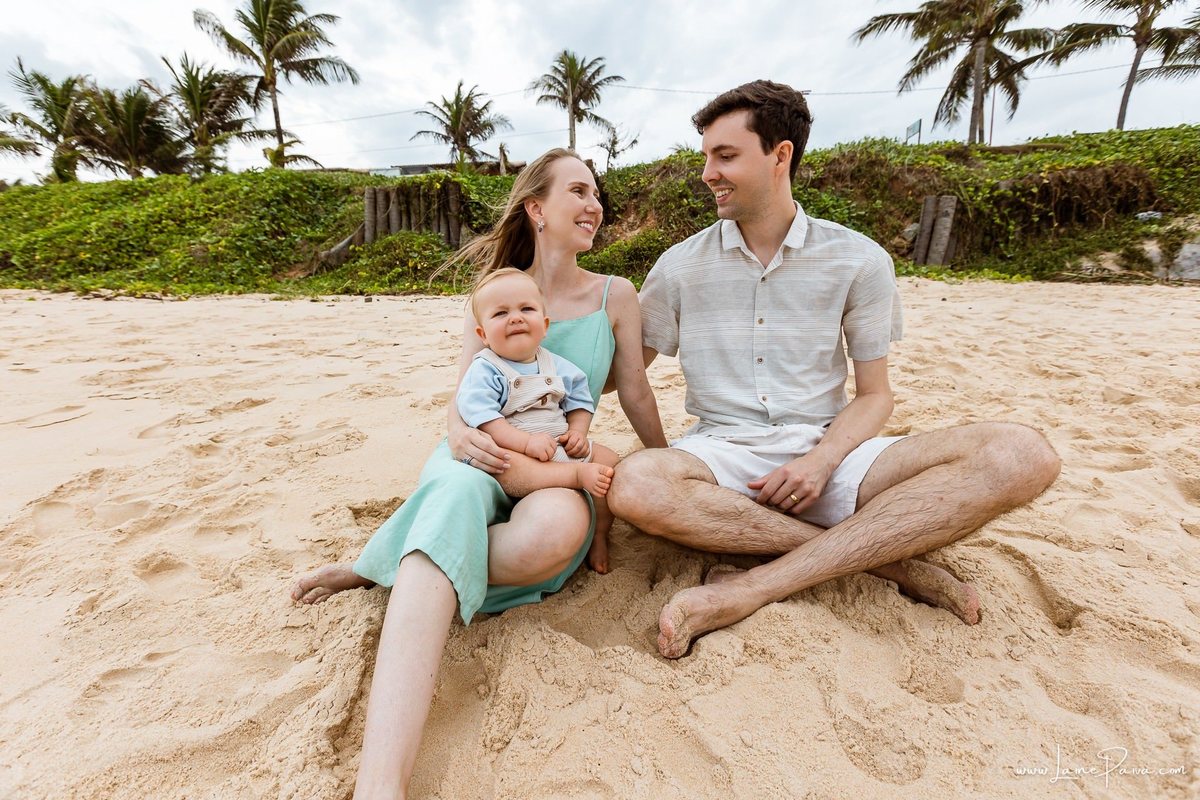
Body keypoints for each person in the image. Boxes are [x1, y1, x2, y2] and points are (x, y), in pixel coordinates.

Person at [607, 80, 1061, 659]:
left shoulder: (859, 259)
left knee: (1022, 453)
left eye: (725, 156)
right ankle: (887, 564)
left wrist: (820, 462)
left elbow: (875, 396)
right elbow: (623, 372)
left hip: (833, 450)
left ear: (780, 155)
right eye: (706, 157)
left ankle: (753, 586)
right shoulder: (678, 266)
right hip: (721, 455)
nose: (707, 173)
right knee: (637, 484)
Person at [291, 148, 666, 799]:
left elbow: (633, 389)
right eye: (578, 191)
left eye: (596, 193)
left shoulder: (616, 295)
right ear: (536, 208)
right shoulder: (495, 292)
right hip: (485, 447)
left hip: (554, 460)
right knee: (460, 488)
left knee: (547, 539)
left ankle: (388, 563)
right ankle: (380, 783)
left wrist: (667, 463)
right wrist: (460, 434)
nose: (594, 204)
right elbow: (465, 391)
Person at [458, 266, 620, 571]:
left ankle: (600, 534)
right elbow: (484, 418)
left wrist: (578, 432)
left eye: (526, 309)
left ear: (544, 325)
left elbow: (580, 401)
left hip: (558, 442)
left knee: (610, 463)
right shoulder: (486, 368)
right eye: (501, 313)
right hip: (515, 450)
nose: (515, 318)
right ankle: (574, 477)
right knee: (505, 465)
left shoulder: (556, 365)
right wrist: (525, 443)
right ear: (483, 334)